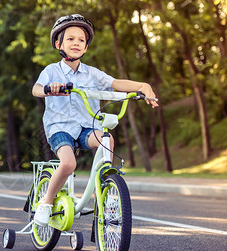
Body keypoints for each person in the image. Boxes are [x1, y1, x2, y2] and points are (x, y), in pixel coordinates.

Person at [32, 14, 158, 226]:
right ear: (58, 43)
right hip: (60, 128)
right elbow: (36, 89)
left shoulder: (92, 74)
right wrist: (48, 89)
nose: (76, 43)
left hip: (86, 127)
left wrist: (142, 86)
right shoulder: (51, 71)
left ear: (86, 47)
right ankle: (46, 202)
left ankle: (107, 192)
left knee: (106, 139)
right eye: (70, 39)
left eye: (81, 40)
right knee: (69, 163)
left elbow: (116, 83)